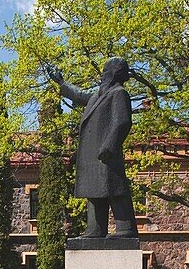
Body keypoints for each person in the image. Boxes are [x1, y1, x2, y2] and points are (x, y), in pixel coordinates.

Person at [44, 57, 137, 239]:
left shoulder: (119, 93)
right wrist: (61, 82)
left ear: (112, 73)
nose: (101, 76)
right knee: (95, 191)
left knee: (115, 189)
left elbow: (123, 121)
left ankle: (125, 229)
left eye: (104, 72)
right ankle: (95, 230)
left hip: (106, 153)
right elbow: (79, 95)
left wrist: (110, 145)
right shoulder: (98, 96)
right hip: (93, 155)